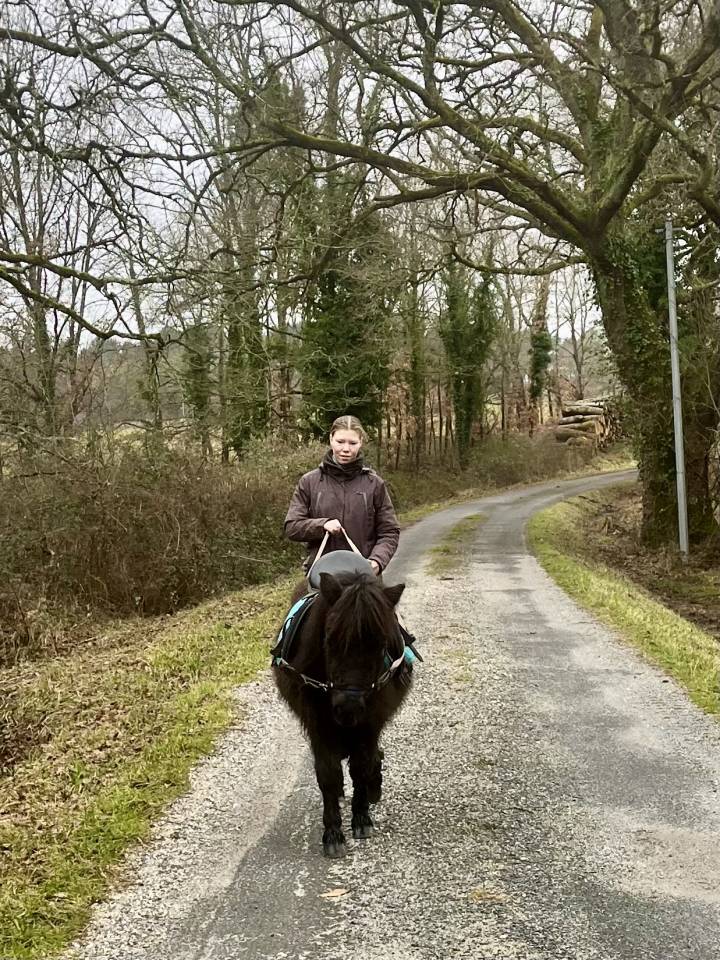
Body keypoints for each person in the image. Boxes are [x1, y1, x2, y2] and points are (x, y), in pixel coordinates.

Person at [284, 415, 400, 577]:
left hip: (363, 576)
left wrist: (377, 561)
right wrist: (322, 525)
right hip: (322, 576)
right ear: (331, 439)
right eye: (340, 442)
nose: (346, 449)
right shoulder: (309, 481)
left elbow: (389, 532)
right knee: (299, 602)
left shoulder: (374, 484)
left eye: (352, 443)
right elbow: (292, 527)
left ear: (361, 443)